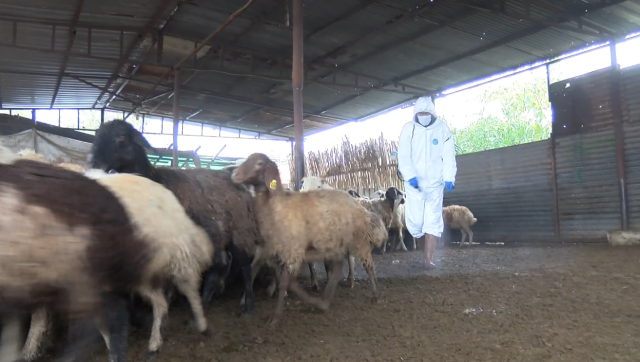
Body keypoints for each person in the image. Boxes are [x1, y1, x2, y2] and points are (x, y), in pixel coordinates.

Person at [397, 96, 457, 269]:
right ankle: (422, 253)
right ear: (416, 113)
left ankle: (428, 259)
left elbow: (448, 155)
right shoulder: (409, 129)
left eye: (426, 112)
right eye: (420, 112)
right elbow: (403, 154)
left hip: (435, 184)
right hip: (414, 185)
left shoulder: (442, 130)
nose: (423, 115)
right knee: (415, 223)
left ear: (432, 113)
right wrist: (409, 175)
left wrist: (449, 177)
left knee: (432, 221)